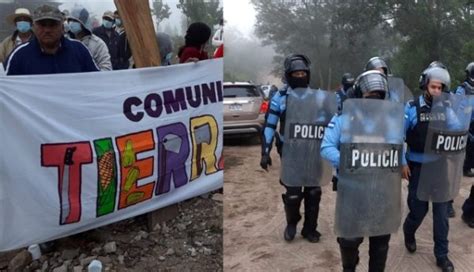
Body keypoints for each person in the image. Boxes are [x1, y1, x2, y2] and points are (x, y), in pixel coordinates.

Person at [321, 70, 404, 272]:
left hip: (381, 189)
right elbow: (326, 147)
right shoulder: (342, 119)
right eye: (369, 97)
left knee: (380, 240)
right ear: (359, 96)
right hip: (352, 190)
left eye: (378, 97)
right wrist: (346, 160)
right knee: (349, 240)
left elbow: (397, 146)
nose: (373, 101)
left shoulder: (391, 122)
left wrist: (402, 162)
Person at [261, 54, 336, 243]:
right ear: (288, 75)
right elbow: (270, 125)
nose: (300, 76)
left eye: (303, 73)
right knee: (293, 195)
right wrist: (265, 151)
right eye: (296, 73)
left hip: (313, 152)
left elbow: (330, 122)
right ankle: (292, 222)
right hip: (290, 153)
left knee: (313, 193)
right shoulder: (280, 98)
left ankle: (310, 229)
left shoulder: (319, 97)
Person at [402, 66, 469, 272]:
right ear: (425, 85)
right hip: (418, 168)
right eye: (433, 87)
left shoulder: (445, 109)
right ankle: (409, 231)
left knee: (441, 215)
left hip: (439, 169)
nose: (436, 91)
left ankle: (442, 255)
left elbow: (458, 129)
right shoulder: (412, 108)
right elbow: (397, 135)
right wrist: (402, 162)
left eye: (440, 88)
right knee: (418, 211)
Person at [4, 5, 99, 75]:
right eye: (42, 24)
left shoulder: (79, 50)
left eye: (53, 24)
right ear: (34, 27)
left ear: (62, 28)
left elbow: (96, 82)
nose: (47, 30)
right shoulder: (19, 55)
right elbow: (6, 88)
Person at [455, 62, 474, 228]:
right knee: (453, 169)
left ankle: (469, 210)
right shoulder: (462, 90)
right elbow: (459, 111)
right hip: (465, 130)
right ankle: (467, 211)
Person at [67, 7, 112, 71]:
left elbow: (106, 69)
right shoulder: (65, 42)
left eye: (75, 21)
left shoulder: (98, 44)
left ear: (84, 23)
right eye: (70, 20)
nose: (71, 23)